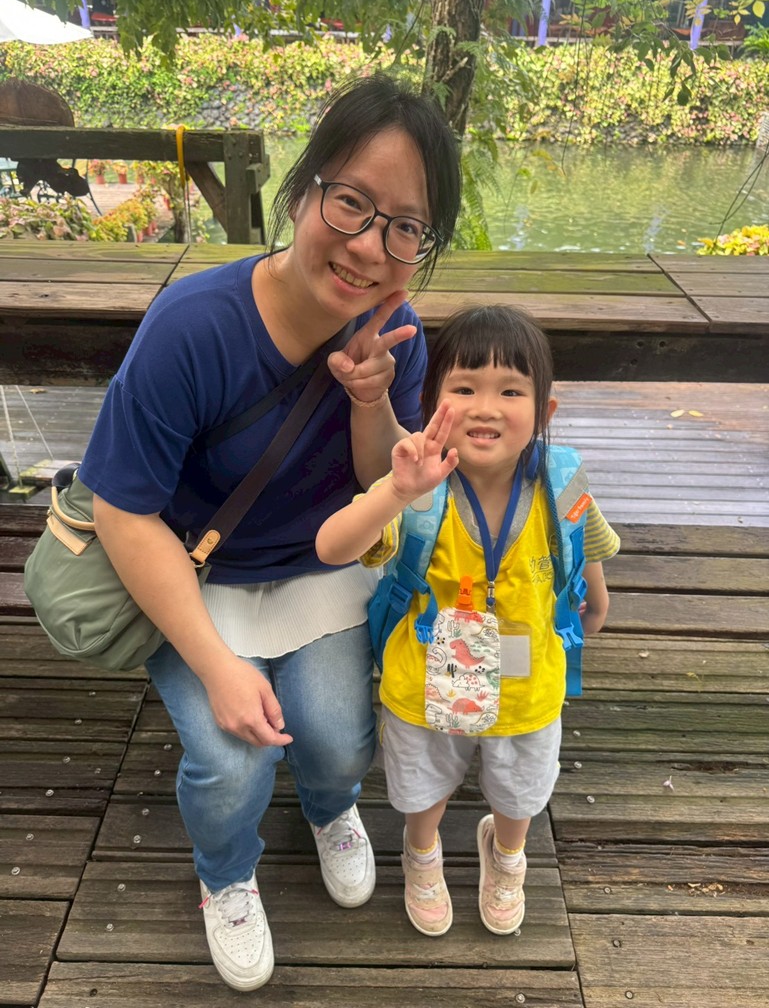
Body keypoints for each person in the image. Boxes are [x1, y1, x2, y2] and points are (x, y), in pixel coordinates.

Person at [77, 73, 461, 990]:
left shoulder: (395, 332)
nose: (368, 246)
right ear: (302, 191)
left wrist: (371, 400)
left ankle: (329, 810)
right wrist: (217, 665)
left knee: (337, 737)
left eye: (404, 227)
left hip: (318, 568)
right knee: (230, 761)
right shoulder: (191, 329)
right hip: (196, 571)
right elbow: (122, 509)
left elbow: (376, 487)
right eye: (351, 203)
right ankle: (224, 874)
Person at [316, 304, 620, 937]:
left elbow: (586, 545)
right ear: (432, 406)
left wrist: (596, 599)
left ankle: (507, 856)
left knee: (521, 790)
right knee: (423, 784)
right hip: (425, 685)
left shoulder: (563, 481)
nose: (486, 407)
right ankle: (422, 853)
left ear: (544, 412)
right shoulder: (418, 490)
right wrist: (395, 491)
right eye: (464, 388)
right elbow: (332, 547)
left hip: (530, 687)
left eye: (511, 391)